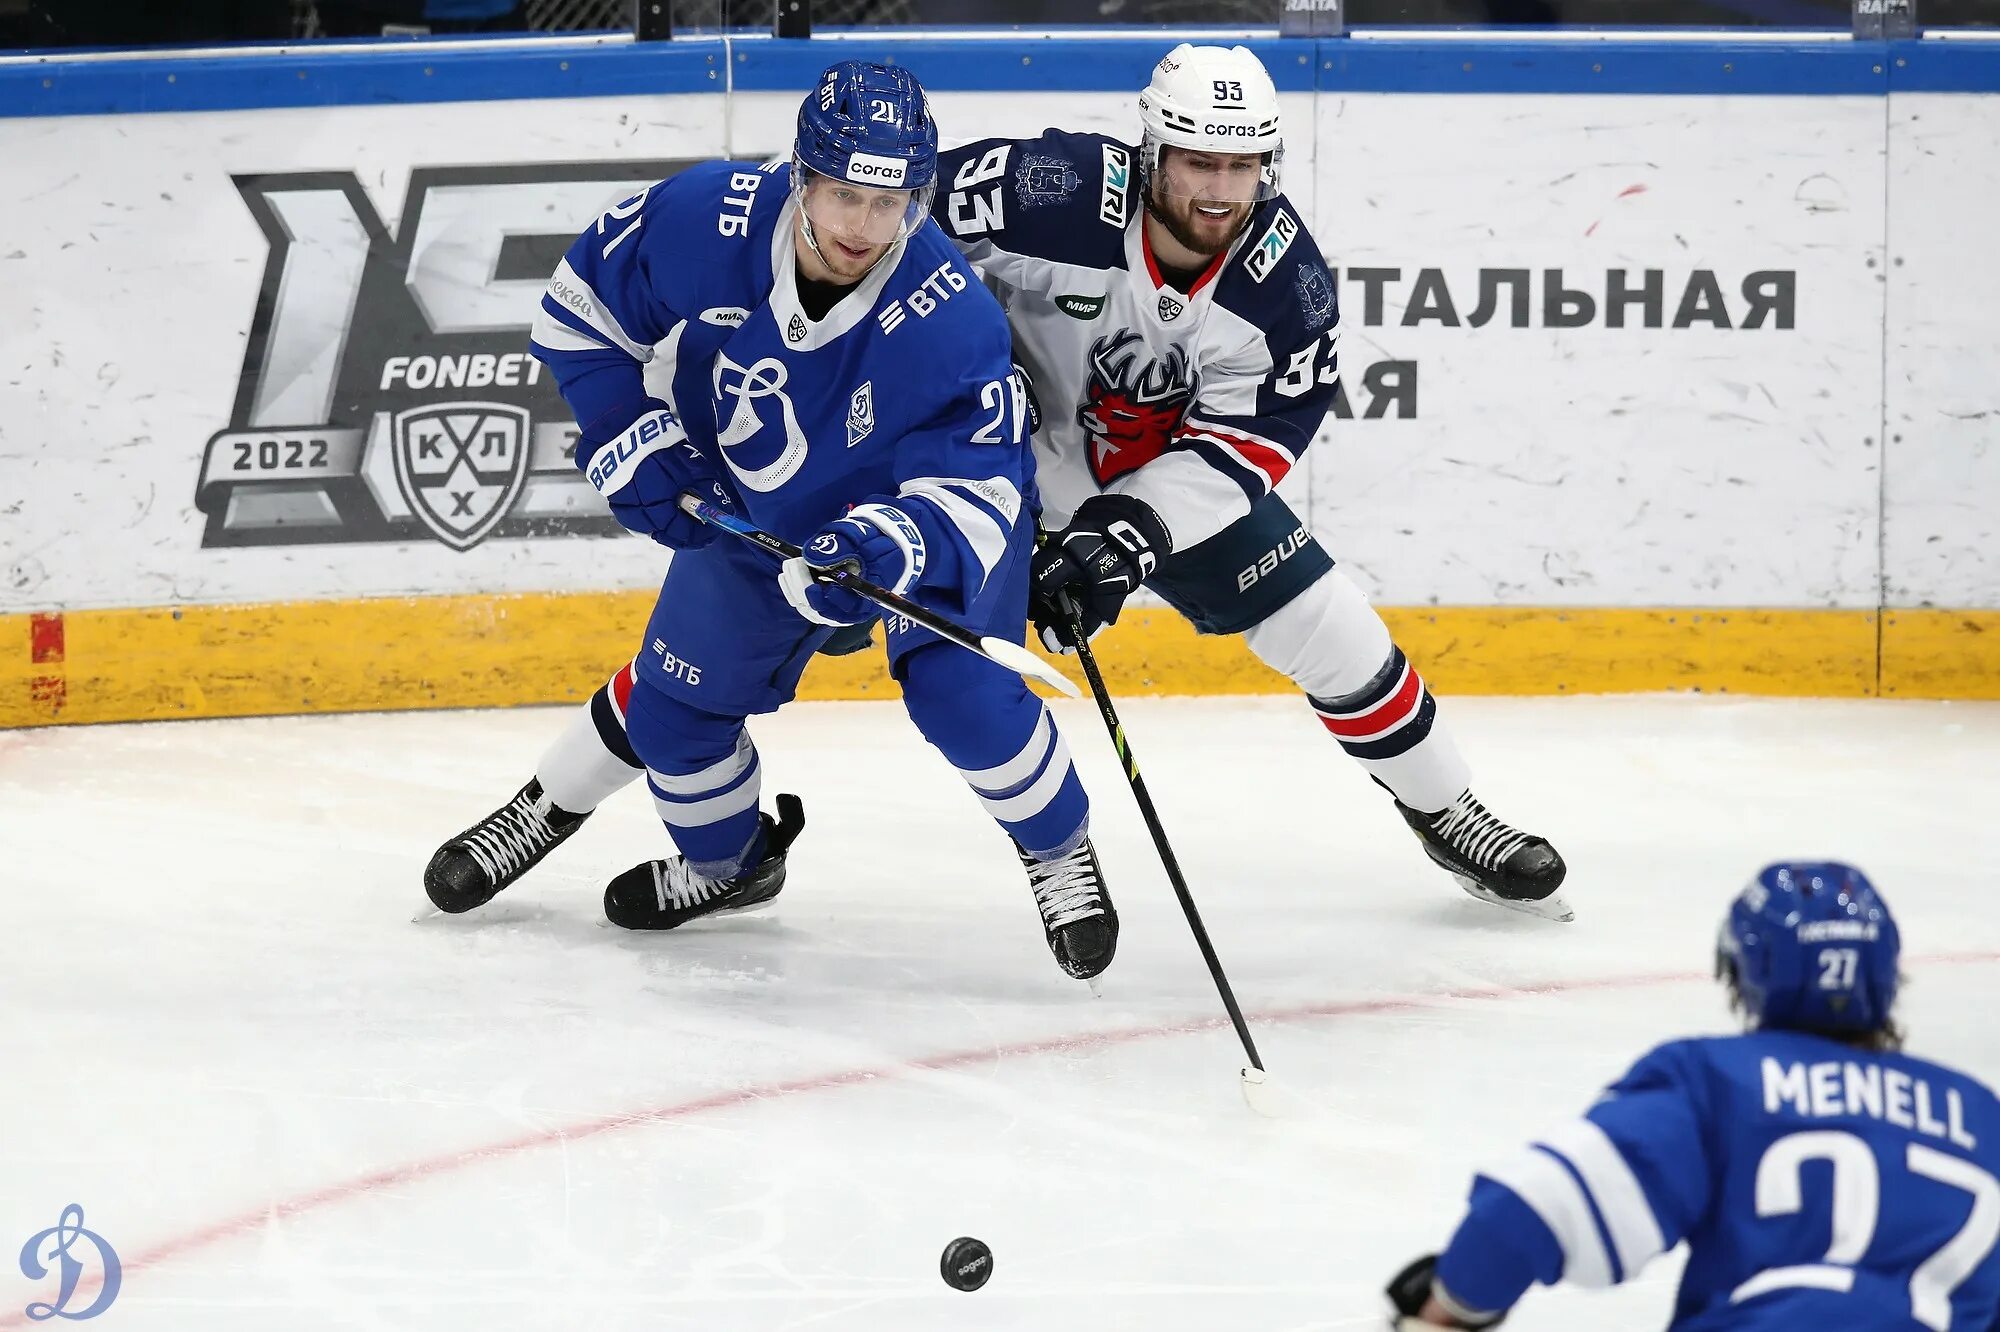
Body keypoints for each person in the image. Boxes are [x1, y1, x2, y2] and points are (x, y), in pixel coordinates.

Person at [422, 61, 1119, 982]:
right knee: (672, 720)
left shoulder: (950, 319)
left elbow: (983, 492)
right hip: (758, 512)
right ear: (800, 178)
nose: (863, 228)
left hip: (913, 525)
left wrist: (883, 544)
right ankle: (732, 867)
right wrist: (624, 431)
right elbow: (582, 306)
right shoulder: (709, 219)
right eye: (842, 195)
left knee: (966, 698)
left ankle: (1057, 847)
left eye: (891, 200)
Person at [931, 45, 1569, 920]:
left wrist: (1118, 539)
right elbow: (880, 212)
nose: (1219, 191)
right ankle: (1052, 850)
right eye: (1198, 161)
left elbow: (1247, 443)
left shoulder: (1287, 286)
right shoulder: (1049, 188)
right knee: (938, 660)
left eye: (1241, 166)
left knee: (1332, 629)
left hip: (1154, 486)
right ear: (1151, 151)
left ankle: (1442, 805)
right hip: (989, 462)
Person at [1388, 861, 2000, 1330]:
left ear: (1744, 974)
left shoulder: (1719, 1082)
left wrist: (1447, 1306)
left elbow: (1526, 1213)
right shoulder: (1980, 1117)